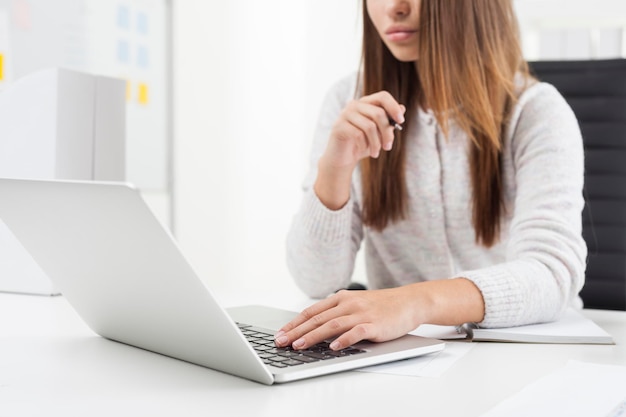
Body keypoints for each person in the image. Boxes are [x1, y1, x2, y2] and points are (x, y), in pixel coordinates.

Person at [275, 0, 587, 352]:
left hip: (525, 354)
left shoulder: (536, 111)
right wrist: (333, 170)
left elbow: (551, 274)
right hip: (405, 357)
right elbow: (315, 280)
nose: (394, 7)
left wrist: (414, 303)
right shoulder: (349, 103)